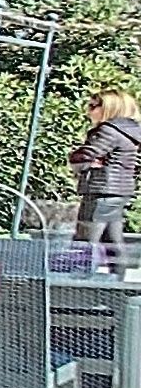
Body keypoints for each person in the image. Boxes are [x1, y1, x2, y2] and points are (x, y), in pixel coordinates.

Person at [73, 90, 141, 268]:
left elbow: (85, 155)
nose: (89, 110)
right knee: (112, 241)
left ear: (110, 108)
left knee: (86, 239)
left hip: (101, 188)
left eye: (93, 106)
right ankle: (119, 279)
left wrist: (77, 159)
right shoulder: (131, 132)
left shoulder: (108, 131)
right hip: (119, 190)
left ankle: (79, 279)